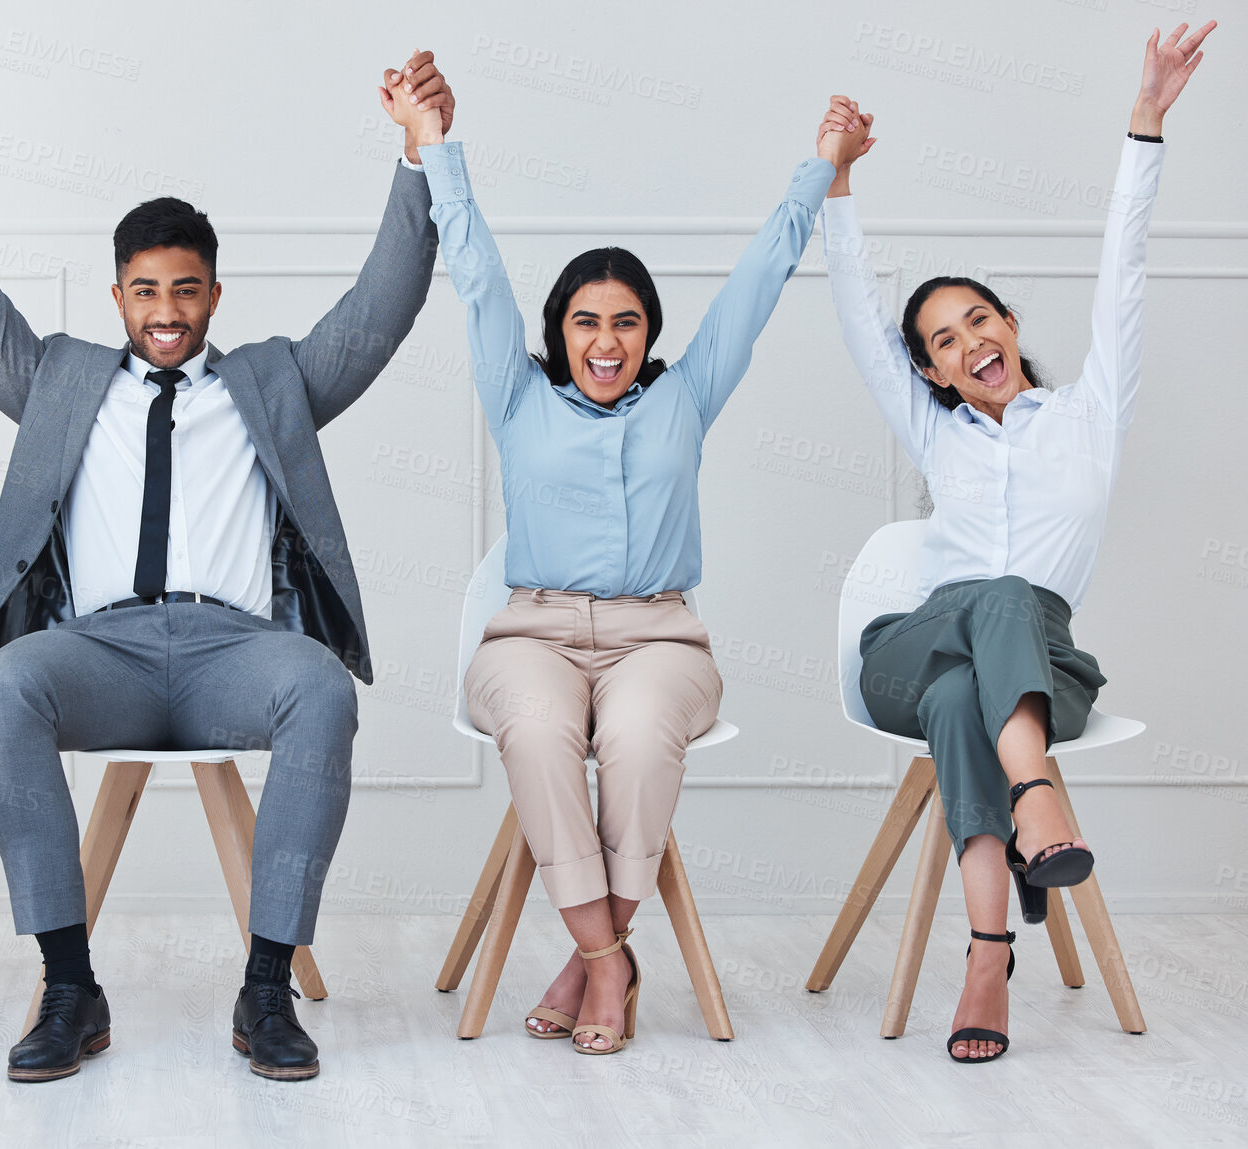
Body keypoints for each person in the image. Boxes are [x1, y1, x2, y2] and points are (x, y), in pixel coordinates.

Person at [0, 48, 453, 1083]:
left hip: (232, 651)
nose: (165, 309)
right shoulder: (59, 381)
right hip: (97, 650)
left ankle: (264, 991)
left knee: (320, 689)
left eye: (185, 290)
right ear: (117, 295)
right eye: (145, 290)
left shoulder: (269, 382)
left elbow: (381, 307)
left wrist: (418, 158)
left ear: (213, 294)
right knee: (7, 685)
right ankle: (69, 987)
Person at [383, 77, 863, 1052]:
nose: (605, 341)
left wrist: (826, 165)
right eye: (585, 323)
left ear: (648, 335)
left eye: (626, 323)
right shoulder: (516, 398)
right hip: (529, 631)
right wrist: (431, 142)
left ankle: (588, 957)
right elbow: (473, 270)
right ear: (558, 334)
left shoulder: (681, 400)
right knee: (536, 726)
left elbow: (758, 278)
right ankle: (609, 962)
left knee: (641, 736)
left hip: (659, 636)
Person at [818, 21, 1216, 1063]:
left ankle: (985, 955)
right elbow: (861, 327)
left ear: (1005, 324)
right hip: (903, 651)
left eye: (977, 319)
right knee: (991, 599)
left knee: (975, 681)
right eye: (941, 343)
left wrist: (1143, 122)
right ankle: (1037, 798)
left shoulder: (1088, 416)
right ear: (935, 376)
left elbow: (1119, 272)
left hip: (1042, 671)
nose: (968, 343)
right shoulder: (930, 429)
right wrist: (837, 184)